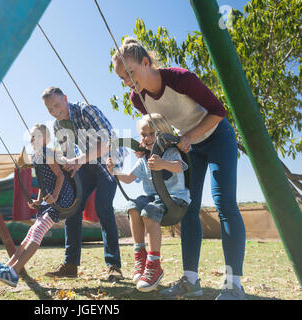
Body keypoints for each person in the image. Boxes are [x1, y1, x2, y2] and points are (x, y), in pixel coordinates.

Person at [112, 37, 246, 300]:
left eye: (130, 73)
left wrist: (189, 135)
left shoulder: (180, 79)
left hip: (217, 137)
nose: (127, 81)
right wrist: (148, 147)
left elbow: (218, 111)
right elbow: (158, 128)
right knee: (189, 207)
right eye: (122, 78)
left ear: (146, 62)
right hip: (188, 148)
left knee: (224, 203)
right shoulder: (138, 99)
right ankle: (191, 280)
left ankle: (234, 284)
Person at [41, 86, 126, 281]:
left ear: (65, 98)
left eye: (56, 105)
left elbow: (107, 142)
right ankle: (70, 265)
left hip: (109, 160)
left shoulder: (86, 110)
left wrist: (78, 161)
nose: (55, 111)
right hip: (86, 163)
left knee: (103, 208)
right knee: (73, 206)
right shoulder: (57, 126)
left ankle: (114, 266)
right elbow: (69, 155)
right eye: (50, 109)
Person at [0, 124, 75, 287]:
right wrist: (39, 201)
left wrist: (54, 196)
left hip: (61, 199)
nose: (32, 139)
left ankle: (13, 272)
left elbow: (60, 176)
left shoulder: (47, 153)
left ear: (45, 139)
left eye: (36, 136)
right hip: (51, 201)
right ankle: (9, 266)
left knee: (37, 232)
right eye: (31, 137)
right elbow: (43, 184)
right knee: (31, 232)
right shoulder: (37, 157)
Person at [106, 114, 190, 292]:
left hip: (174, 198)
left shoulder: (171, 152)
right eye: (144, 135)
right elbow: (128, 178)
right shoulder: (143, 159)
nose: (147, 138)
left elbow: (177, 166)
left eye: (152, 134)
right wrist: (114, 170)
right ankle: (140, 256)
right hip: (153, 198)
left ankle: (154, 264)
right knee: (133, 207)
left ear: (162, 134)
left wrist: (162, 163)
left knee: (149, 211)